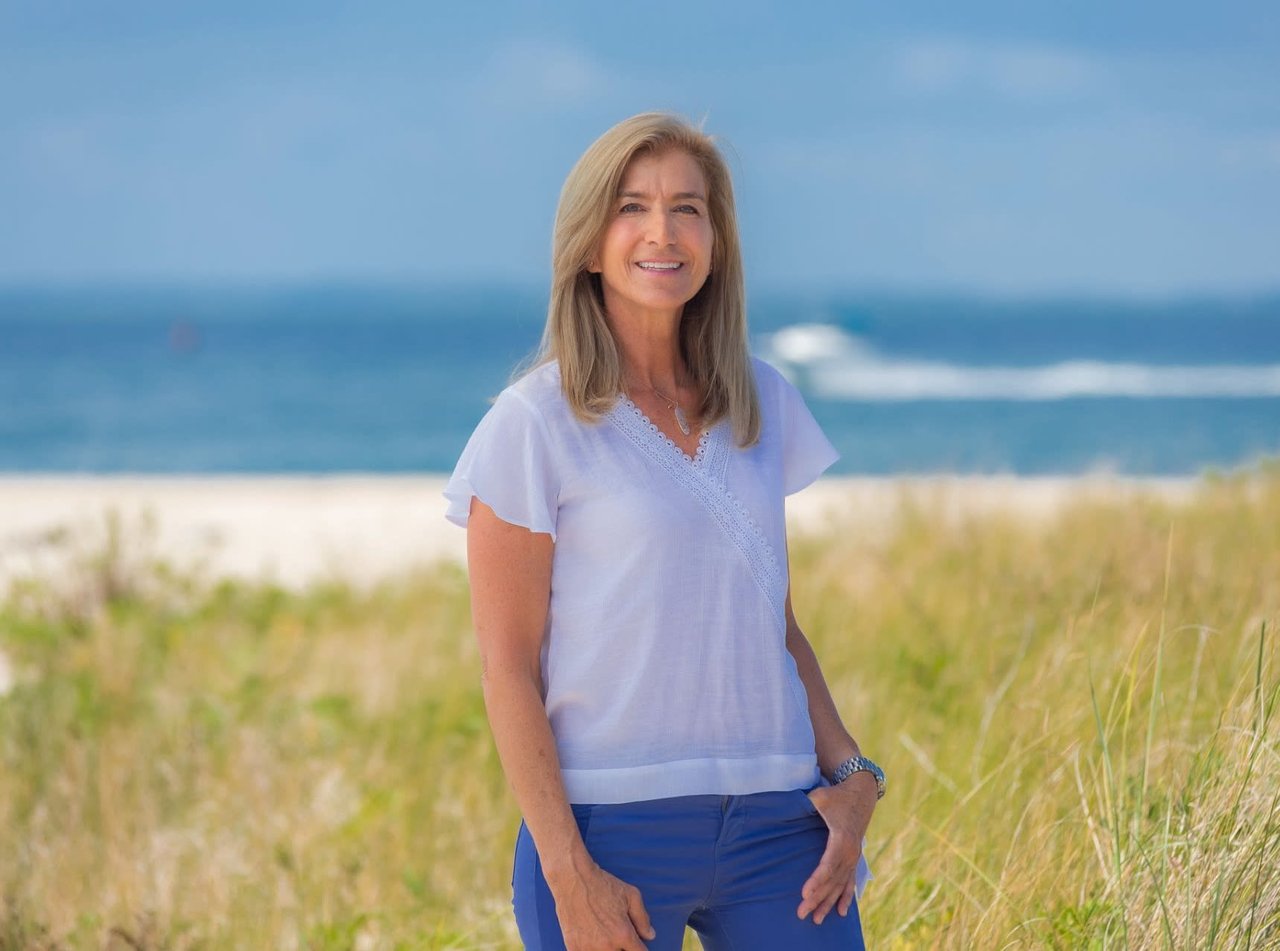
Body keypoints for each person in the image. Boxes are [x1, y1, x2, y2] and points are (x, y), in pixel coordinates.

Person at [444, 112, 883, 951]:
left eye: (688, 207)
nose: (662, 232)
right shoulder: (533, 424)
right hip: (609, 833)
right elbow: (507, 666)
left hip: (780, 828)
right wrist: (568, 870)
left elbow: (775, 626)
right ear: (587, 242)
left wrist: (853, 775)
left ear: (715, 238)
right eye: (631, 207)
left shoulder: (763, 402)